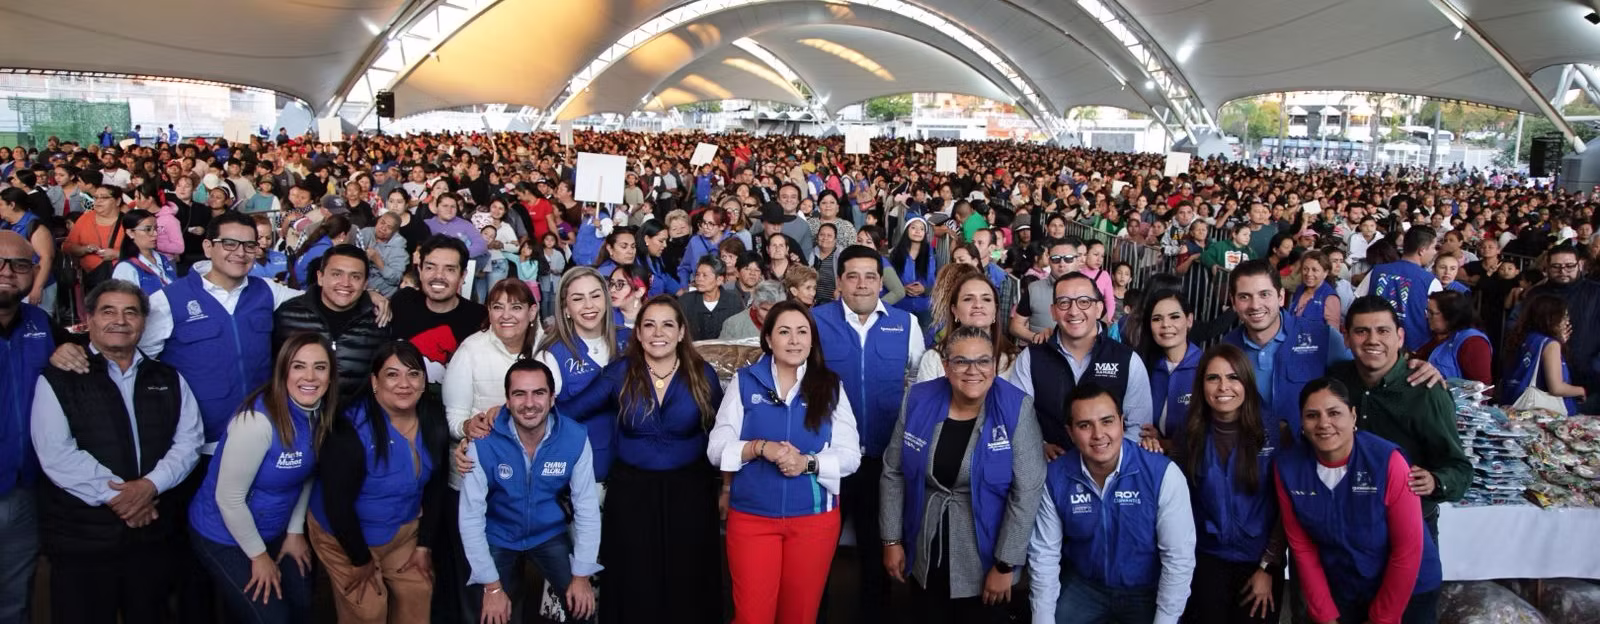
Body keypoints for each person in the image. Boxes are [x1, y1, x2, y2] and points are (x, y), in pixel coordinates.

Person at [31, 280, 204, 624]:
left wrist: (149, 486)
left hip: (152, 534)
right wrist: (122, 498)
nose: (120, 321)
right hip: (83, 539)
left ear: (143, 321)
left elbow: (189, 441)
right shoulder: (59, 377)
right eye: (108, 311)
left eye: (131, 312)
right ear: (90, 319)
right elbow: (56, 452)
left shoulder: (167, 377)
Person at [565, 295, 727, 623]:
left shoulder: (703, 374)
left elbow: (724, 433)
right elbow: (568, 412)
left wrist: (727, 487)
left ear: (681, 332)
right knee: (635, 581)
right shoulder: (620, 373)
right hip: (632, 495)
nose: (658, 333)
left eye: (667, 325)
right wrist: (505, 415)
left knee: (689, 581)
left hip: (690, 494)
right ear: (637, 333)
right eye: (649, 325)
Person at [708, 300, 861, 624]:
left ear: (812, 339)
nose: (794, 340)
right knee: (751, 617)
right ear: (768, 339)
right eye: (784, 332)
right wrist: (759, 448)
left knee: (799, 616)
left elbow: (850, 456)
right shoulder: (745, 381)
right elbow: (716, 449)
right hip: (752, 519)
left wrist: (807, 463)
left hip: (813, 522)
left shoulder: (830, 386)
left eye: (802, 332)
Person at [882, 325, 1045, 623]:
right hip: (925, 547)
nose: (973, 370)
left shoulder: (1015, 407)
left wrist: (1005, 564)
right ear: (946, 367)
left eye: (983, 361)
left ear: (994, 366)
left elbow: (1028, 489)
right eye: (961, 361)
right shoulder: (917, 399)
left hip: (986, 557)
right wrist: (891, 540)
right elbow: (893, 472)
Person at [187, 333, 336, 623]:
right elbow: (228, 499)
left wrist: (295, 532)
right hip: (223, 532)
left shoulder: (319, 414)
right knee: (272, 618)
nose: (310, 376)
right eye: (298, 366)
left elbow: (306, 476)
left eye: (320, 367)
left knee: (303, 602)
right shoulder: (255, 422)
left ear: (330, 377)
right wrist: (259, 557)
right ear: (283, 372)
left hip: (275, 527)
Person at [811, 245, 924, 623]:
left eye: (870, 276)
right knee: (816, 556)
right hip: (827, 461)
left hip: (882, 461)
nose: (862, 284)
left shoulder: (905, 324)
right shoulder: (814, 322)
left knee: (877, 555)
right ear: (840, 282)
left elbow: (919, 385)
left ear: (881, 282)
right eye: (853, 276)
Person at [1026, 382, 1195, 624]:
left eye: (1107, 421)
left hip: (1146, 590)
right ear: (1070, 432)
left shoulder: (1162, 474)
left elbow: (1178, 558)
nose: (1098, 434)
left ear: (1122, 423)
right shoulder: (1055, 478)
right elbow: (1044, 554)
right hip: (1086, 587)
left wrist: (1166, 618)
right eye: (1085, 425)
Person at [1277, 379, 1441, 624]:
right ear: (1301, 422)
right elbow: (1302, 547)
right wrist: (1325, 615)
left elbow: (1407, 550)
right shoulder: (1288, 467)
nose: (1324, 423)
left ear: (1353, 416)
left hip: (1408, 589)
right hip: (1345, 586)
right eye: (1312, 415)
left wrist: (1382, 619)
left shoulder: (1387, 461)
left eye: (1334, 413)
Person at [310, 342, 448, 624]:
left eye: (413, 374)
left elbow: (435, 487)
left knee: (419, 590)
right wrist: (360, 560)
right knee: (369, 610)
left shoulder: (433, 420)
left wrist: (424, 545)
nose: (404, 384)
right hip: (345, 537)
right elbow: (338, 506)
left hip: (401, 532)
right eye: (392, 374)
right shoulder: (348, 430)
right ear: (375, 381)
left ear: (424, 381)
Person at [459, 360, 602, 624]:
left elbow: (587, 508)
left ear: (552, 398)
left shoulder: (575, 437)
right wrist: (492, 588)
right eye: (519, 394)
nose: (529, 403)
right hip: (499, 533)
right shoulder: (483, 441)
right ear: (507, 400)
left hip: (549, 533)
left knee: (582, 608)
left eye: (538, 393)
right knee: (488, 615)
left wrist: (582, 575)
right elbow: (470, 517)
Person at [1330, 296, 1470, 537]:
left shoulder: (1426, 391)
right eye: (1361, 331)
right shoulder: (1336, 382)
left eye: (1383, 331)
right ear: (1346, 338)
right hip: (1349, 521)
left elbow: (1460, 469)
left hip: (1410, 524)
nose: (1372, 340)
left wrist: (1435, 481)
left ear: (1400, 337)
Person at [1174, 345, 1286, 623]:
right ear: (1201, 385)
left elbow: (1287, 507)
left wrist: (1267, 567)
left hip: (1259, 563)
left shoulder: (1274, 433)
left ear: (1247, 382)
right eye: (1213, 378)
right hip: (1207, 559)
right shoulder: (1189, 433)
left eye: (1233, 377)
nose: (1223, 387)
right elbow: (1179, 505)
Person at [1007, 271, 1153, 456]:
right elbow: (1017, 417)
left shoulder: (1127, 360)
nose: (1074, 311)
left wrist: (1109, 461)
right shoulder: (1031, 358)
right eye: (1064, 303)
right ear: (1053, 311)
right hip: (1049, 467)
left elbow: (1138, 428)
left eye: (1084, 301)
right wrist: (1038, 446)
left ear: (1099, 309)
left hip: (1112, 467)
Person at [0, 230, 53, 624]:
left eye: (20, 265)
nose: (7, 272)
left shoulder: (41, 323)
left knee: (14, 597)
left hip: (24, 489)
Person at [534, 267, 629, 483]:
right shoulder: (551, 355)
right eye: (578, 299)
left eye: (595, 296)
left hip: (635, 468)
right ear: (565, 308)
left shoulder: (630, 339)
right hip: (585, 476)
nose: (589, 305)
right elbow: (541, 422)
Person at [272, 244, 392, 403]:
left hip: (354, 416)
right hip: (296, 414)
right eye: (336, 274)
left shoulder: (378, 321)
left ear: (365, 284)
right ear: (320, 277)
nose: (345, 283)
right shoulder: (288, 315)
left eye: (355, 277)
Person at [390, 235, 488, 384]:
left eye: (450, 269)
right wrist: (372, 296)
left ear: (462, 276)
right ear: (420, 270)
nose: (439, 276)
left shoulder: (479, 317)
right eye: (430, 267)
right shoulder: (402, 301)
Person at [916, 264, 1019, 382]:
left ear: (995, 310)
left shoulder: (1014, 359)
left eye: (986, 299)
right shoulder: (934, 358)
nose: (978, 305)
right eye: (968, 299)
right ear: (954, 310)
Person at [1135, 288, 1201, 455]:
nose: (1165, 324)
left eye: (1174, 317)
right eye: (1157, 319)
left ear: (1189, 320)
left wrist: (1166, 443)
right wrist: (1154, 436)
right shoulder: (1144, 367)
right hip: (1155, 460)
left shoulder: (1206, 367)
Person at [1355, 226, 1441, 351]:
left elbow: (1357, 303)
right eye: (1433, 247)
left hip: (1375, 344)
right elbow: (1438, 321)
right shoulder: (1430, 281)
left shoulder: (1376, 271)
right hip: (1415, 350)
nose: (1434, 252)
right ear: (1422, 250)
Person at [1501, 293, 1587, 415]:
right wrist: (1581, 390)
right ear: (1551, 319)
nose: (1566, 322)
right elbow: (1556, 388)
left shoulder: (1522, 338)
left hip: (1513, 405)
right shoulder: (1550, 344)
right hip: (1543, 414)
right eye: (1564, 317)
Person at [1415, 290, 1492, 385]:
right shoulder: (1439, 336)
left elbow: (1482, 388)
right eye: (1427, 311)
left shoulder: (1474, 343)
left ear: (1449, 316)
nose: (1427, 316)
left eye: (1431, 313)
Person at [0, 187, 55, 310]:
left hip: (37, 284)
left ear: (12, 205)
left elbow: (46, 258)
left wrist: (37, 287)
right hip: (14, 283)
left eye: (1, 205)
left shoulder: (35, 226)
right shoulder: (5, 225)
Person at [109, 208, 178, 296]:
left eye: (156, 228)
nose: (155, 234)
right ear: (130, 233)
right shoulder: (126, 268)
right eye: (148, 229)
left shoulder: (162, 258)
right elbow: (123, 300)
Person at [890, 217, 939, 326]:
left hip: (926, 307)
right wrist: (902, 289)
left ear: (925, 233)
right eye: (913, 228)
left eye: (921, 229)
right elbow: (888, 281)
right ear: (906, 230)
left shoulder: (933, 254)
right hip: (901, 305)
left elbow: (940, 282)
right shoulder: (896, 254)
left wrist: (925, 289)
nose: (917, 231)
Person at [680, 255, 741, 340]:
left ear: (719, 280)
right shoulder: (685, 301)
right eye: (697, 275)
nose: (699, 279)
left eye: (705, 275)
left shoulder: (734, 302)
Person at [359, 211, 408, 297]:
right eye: (382, 223)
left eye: (389, 227)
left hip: (382, 294)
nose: (383, 228)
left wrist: (378, 262)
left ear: (394, 232)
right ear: (377, 221)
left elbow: (396, 278)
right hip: (360, 288)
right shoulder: (365, 233)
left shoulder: (398, 249)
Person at [1289, 250, 1341, 330]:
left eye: (1314, 270)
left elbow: (1332, 333)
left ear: (1325, 273)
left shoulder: (1330, 298)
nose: (1309, 274)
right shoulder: (1300, 289)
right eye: (1305, 269)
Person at [720, 279, 785, 340]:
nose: (769, 315)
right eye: (765, 309)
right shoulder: (733, 325)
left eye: (775, 310)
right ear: (754, 305)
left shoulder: (788, 323)